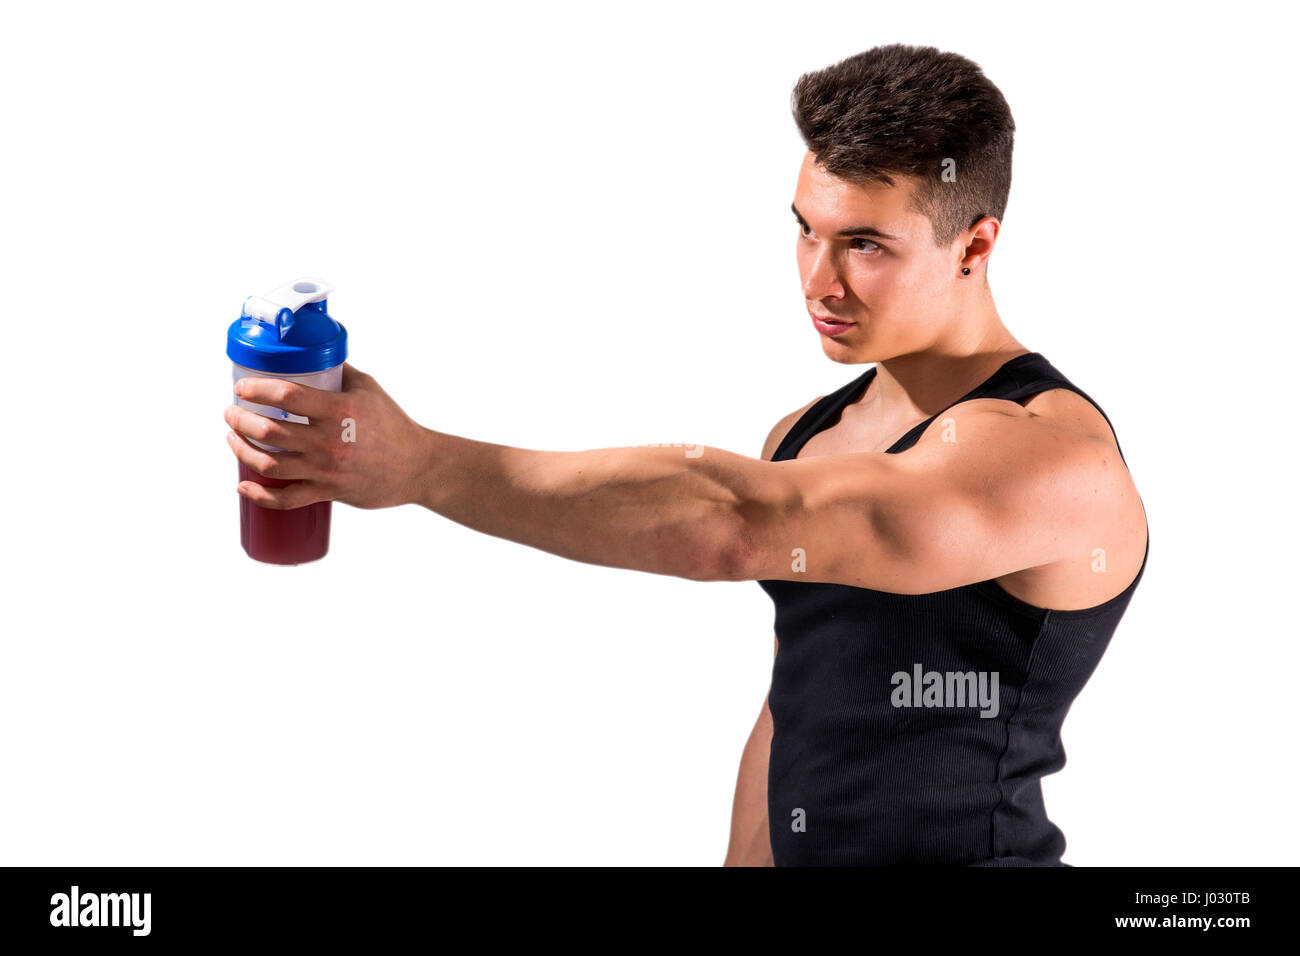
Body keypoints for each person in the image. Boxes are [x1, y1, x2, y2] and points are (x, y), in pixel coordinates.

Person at [223, 43, 1149, 866]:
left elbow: (743, 525)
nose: (818, 282)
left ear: (974, 245)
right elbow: (801, 704)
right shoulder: (808, 434)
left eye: (865, 245)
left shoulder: (1053, 459)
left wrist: (422, 466)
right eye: (805, 230)